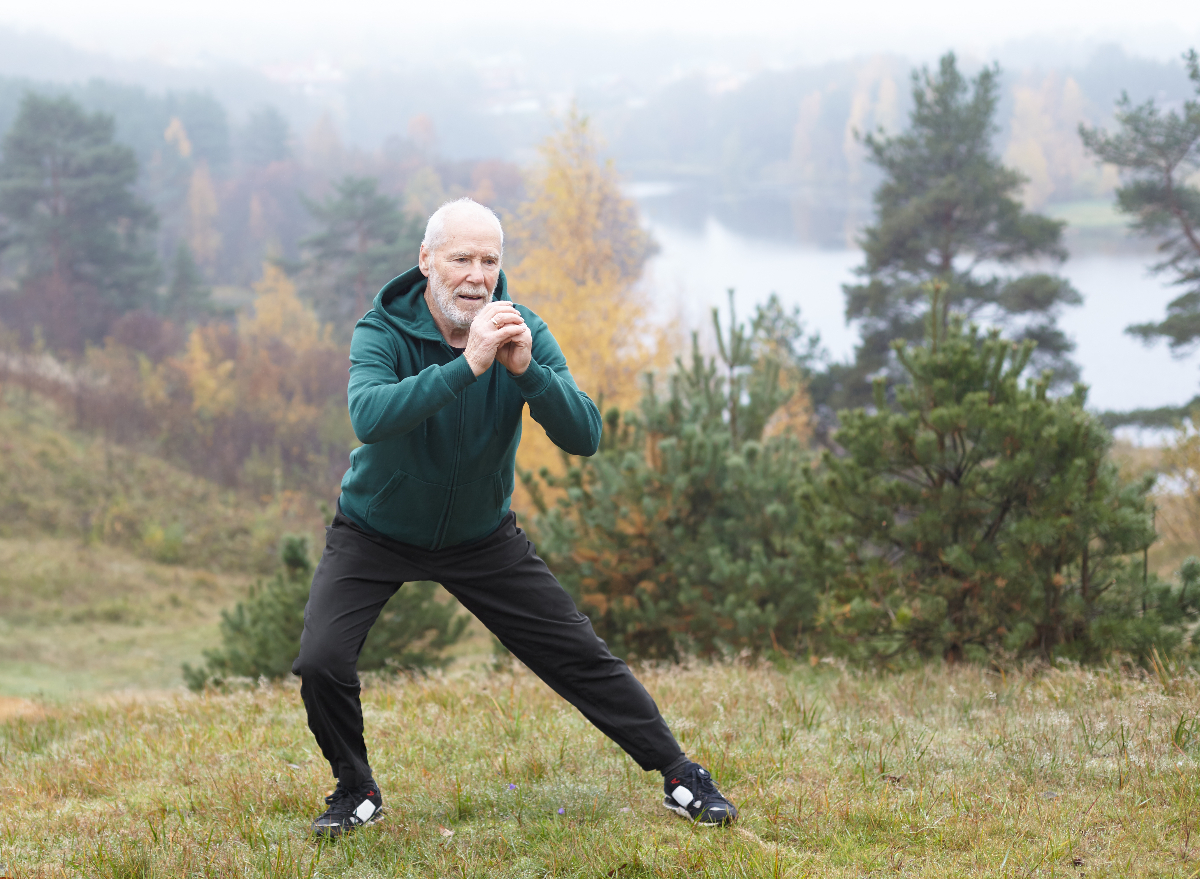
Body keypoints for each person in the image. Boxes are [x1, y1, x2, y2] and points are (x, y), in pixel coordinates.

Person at [291, 197, 737, 837]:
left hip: (480, 537)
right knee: (321, 661)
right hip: (374, 531)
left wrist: (526, 371)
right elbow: (370, 416)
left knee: (579, 654)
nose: (477, 275)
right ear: (426, 262)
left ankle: (678, 774)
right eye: (461, 259)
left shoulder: (522, 329)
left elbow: (585, 435)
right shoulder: (381, 330)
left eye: (490, 261)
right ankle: (355, 787)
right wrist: (467, 365)